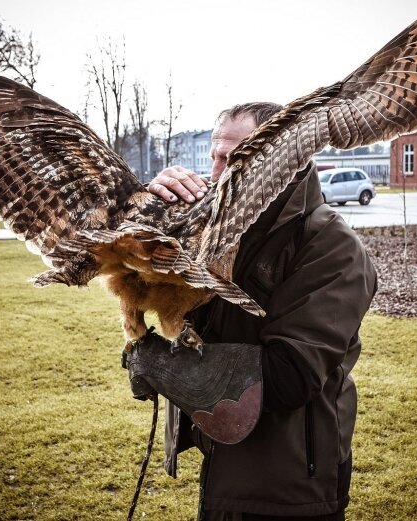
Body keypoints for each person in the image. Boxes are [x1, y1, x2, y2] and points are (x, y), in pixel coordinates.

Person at [133, 102, 377, 520]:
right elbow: (175, 312)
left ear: (280, 158)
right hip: (224, 466)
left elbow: (288, 376)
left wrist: (160, 365)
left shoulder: (332, 246)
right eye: (213, 157)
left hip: (292, 487)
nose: (214, 174)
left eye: (231, 159)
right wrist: (151, 219)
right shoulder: (221, 232)